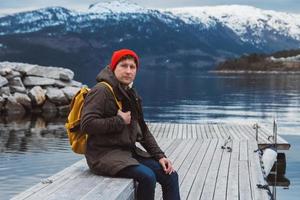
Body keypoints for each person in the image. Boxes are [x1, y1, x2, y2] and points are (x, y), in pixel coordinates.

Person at [80, 49, 180, 200]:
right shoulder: (101, 90)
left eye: (132, 67)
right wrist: (119, 121)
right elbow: (86, 124)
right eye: (123, 66)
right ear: (114, 68)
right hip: (103, 156)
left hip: (127, 153)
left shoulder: (130, 92)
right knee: (148, 177)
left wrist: (160, 156)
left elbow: (143, 130)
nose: (128, 71)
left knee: (170, 175)